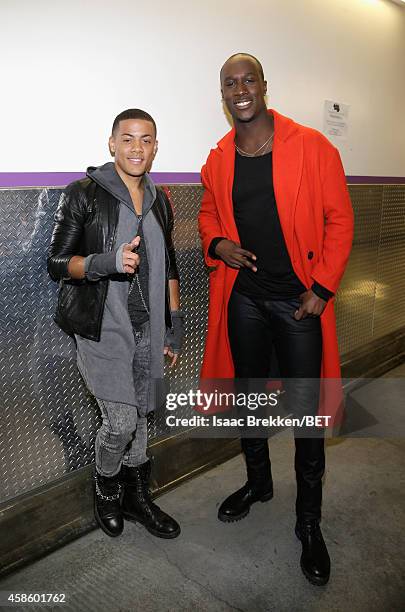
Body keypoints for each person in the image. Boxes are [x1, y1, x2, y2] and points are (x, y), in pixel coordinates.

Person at [198, 53, 354, 585]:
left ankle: (309, 523)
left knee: (306, 414)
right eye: (229, 83)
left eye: (248, 80)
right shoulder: (219, 158)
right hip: (245, 299)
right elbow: (208, 213)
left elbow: (340, 219)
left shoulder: (311, 146)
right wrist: (218, 242)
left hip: (298, 304)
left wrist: (322, 289)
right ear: (223, 94)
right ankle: (258, 483)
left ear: (264, 86)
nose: (239, 90)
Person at [48, 108, 184, 540]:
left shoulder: (160, 200)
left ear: (156, 147)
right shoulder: (84, 193)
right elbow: (54, 262)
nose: (137, 148)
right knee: (121, 422)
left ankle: (137, 496)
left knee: (144, 415)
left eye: (146, 140)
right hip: (102, 327)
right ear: (112, 143)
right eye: (128, 138)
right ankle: (107, 488)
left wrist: (174, 324)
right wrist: (104, 262)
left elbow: (171, 267)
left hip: (149, 328)